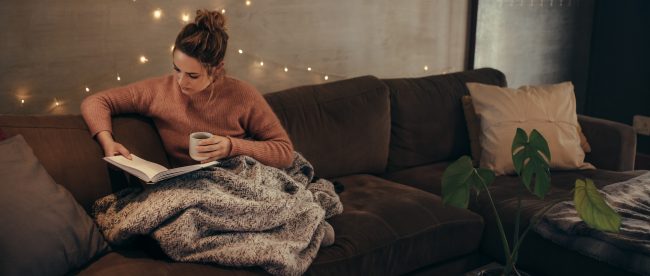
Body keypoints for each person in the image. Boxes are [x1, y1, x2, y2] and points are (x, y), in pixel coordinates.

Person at [81, 9, 294, 169]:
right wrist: (107, 142)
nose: (181, 81)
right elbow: (96, 102)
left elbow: (285, 153)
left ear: (217, 69)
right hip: (192, 187)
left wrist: (231, 146)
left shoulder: (243, 95)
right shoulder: (158, 91)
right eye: (177, 70)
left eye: (193, 75)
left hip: (241, 178)